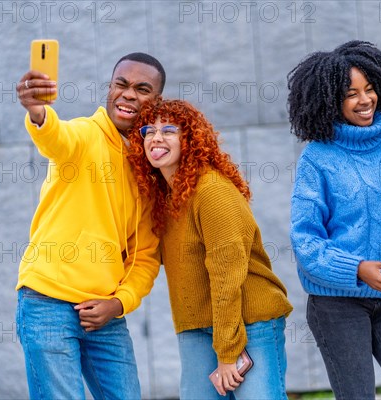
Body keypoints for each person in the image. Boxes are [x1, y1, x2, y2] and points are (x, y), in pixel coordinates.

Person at [287, 40, 381, 399]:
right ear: (328, 100)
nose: (365, 100)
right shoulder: (316, 159)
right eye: (351, 93)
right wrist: (357, 269)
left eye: (370, 89)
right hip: (337, 305)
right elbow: (306, 242)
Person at [15, 52, 165, 399]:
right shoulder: (84, 134)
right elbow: (56, 137)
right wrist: (38, 112)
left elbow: (145, 256)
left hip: (105, 315)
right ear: (110, 89)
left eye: (142, 89)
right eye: (121, 84)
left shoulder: (149, 169)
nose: (128, 94)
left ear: (157, 102)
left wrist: (119, 303)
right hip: (46, 303)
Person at [126, 98, 293, 400]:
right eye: (149, 131)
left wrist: (228, 351)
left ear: (190, 138)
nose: (156, 138)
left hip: (248, 321)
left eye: (169, 130)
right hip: (196, 325)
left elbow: (227, 274)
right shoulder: (165, 200)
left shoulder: (211, 191)